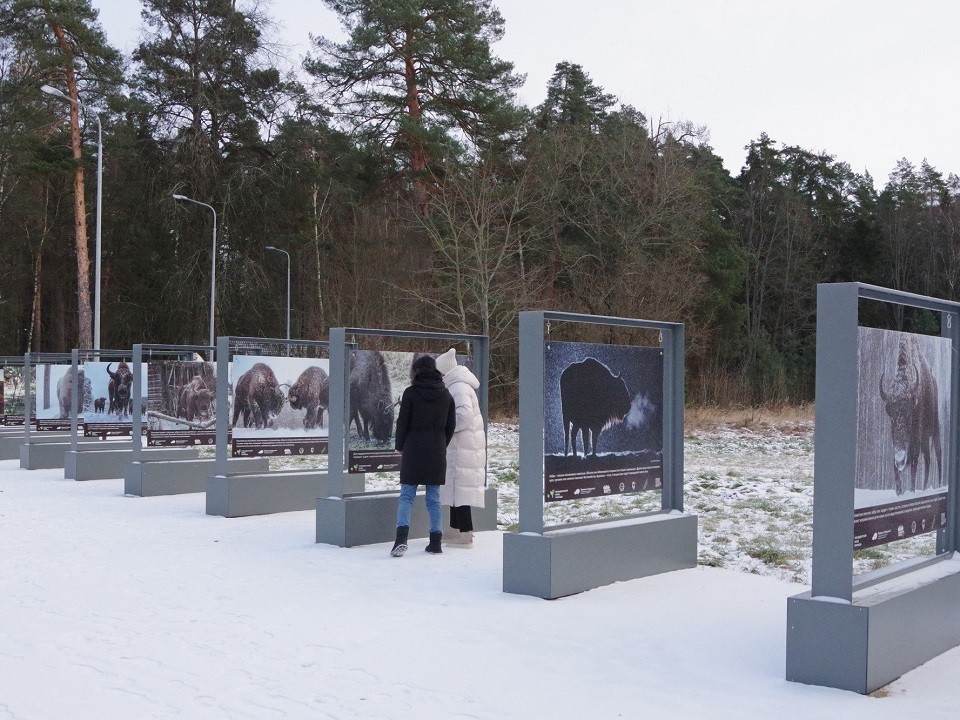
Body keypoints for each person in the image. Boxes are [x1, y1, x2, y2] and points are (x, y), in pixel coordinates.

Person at [391, 354, 456, 557]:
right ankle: (435, 542)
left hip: (413, 448)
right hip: (436, 450)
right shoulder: (446, 395)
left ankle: (401, 540)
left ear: (417, 371)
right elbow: (450, 426)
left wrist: (399, 446)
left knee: (407, 496)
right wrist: (441, 444)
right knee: (434, 499)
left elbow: (403, 422)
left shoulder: (410, 393)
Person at [434, 348, 487, 548]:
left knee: (460, 489)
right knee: (455, 488)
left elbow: (463, 416)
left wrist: (446, 427)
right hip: (462, 446)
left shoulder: (458, 388)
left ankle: (465, 534)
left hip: (463, 446)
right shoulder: (457, 385)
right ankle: (455, 529)